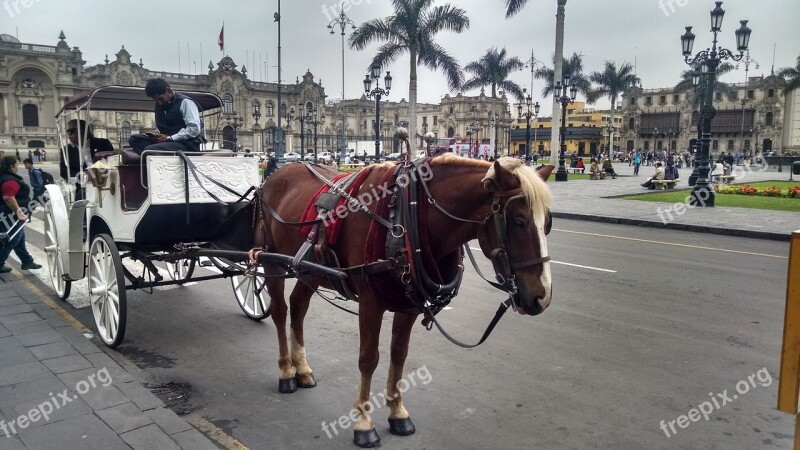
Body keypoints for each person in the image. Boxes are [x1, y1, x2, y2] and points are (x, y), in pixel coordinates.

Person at [128, 78, 205, 154]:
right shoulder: (160, 105)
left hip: (187, 144)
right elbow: (162, 126)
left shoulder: (185, 102)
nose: (159, 103)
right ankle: (152, 156)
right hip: (168, 142)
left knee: (150, 150)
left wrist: (170, 138)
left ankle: (152, 156)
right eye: (156, 100)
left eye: (160, 99)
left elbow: (194, 129)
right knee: (134, 139)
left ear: (168, 90)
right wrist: (156, 136)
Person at [0, 156, 42, 273]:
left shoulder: (4, 177)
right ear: (12, 167)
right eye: (17, 165)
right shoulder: (10, 181)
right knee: (10, 240)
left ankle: (27, 261)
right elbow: (8, 197)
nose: (18, 167)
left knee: (19, 239)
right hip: (10, 215)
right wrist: (19, 212)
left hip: (8, 214)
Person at [60, 119, 114, 200]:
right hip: (84, 185)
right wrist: (83, 175)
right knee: (81, 196)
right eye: (68, 132)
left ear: (83, 131)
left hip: (107, 181)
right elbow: (64, 172)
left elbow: (113, 161)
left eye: (72, 131)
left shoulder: (103, 143)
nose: (69, 134)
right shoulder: (67, 151)